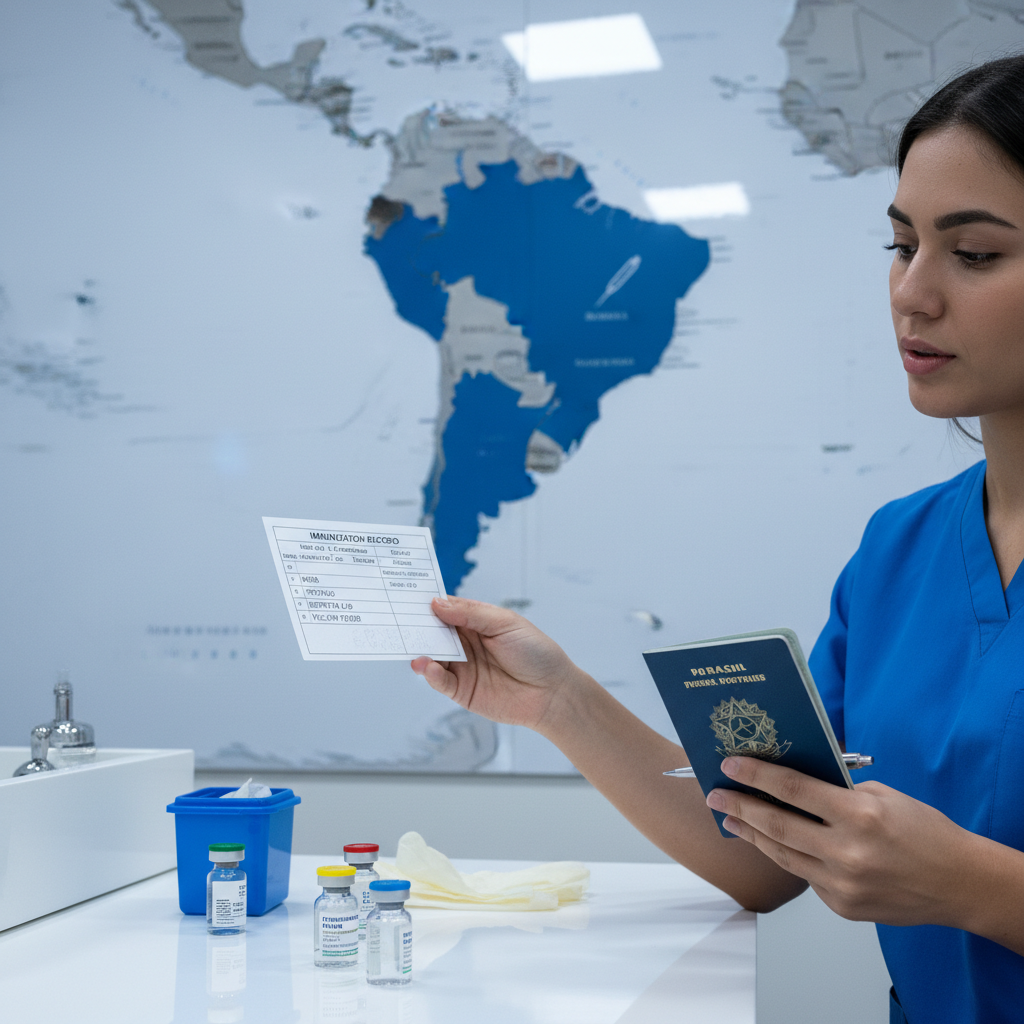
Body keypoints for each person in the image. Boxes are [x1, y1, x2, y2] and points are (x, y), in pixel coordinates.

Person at [412, 55, 1024, 1024]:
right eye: (901, 244)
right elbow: (764, 852)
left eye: (976, 253)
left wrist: (983, 889)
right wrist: (560, 701)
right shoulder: (900, 550)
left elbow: (958, 880)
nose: (912, 293)